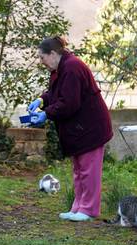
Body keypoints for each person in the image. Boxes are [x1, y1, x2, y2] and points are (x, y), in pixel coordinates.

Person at [28, 36, 113, 222]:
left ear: (53, 54)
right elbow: (55, 93)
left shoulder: (72, 67)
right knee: (79, 170)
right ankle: (78, 208)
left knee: (89, 170)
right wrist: (42, 101)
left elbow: (69, 103)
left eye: (42, 57)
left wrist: (46, 114)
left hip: (91, 128)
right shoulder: (60, 68)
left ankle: (89, 210)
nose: (41, 62)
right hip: (79, 130)